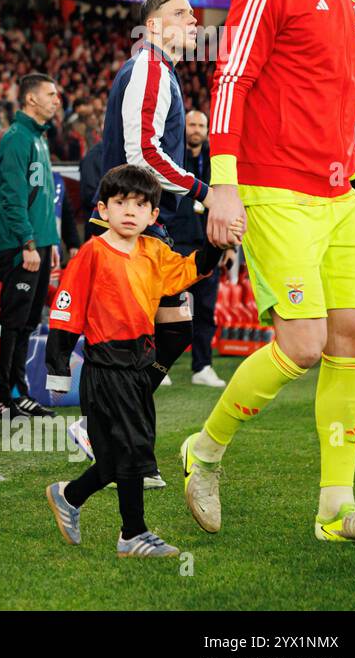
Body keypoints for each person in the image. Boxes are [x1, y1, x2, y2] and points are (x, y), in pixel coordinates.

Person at [186, 0, 355, 544]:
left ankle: (335, 507)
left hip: (338, 192)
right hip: (276, 188)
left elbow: (343, 107)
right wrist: (222, 182)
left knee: (353, 335)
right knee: (301, 344)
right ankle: (204, 451)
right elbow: (232, 77)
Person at [44, 166, 232, 557]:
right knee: (132, 451)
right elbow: (66, 311)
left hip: (138, 367)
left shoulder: (154, 252)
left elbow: (187, 271)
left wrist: (217, 242)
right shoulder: (92, 254)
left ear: (152, 215)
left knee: (116, 459)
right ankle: (133, 534)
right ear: (103, 209)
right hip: (105, 368)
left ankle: (68, 495)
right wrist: (58, 367)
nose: (130, 211)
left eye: (141, 204)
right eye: (121, 202)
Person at [95, 0, 213, 393]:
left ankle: (115, 416)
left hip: (140, 217)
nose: (193, 20)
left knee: (173, 328)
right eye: (180, 13)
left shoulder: (157, 68)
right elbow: (143, 154)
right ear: (154, 26)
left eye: (193, 14)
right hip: (130, 220)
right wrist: (204, 192)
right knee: (131, 335)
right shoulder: (150, 66)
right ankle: (107, 424)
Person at [0, 73, 61, 419]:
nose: (56, 100)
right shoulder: (17, 138)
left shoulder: (39, 137)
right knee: (14, 320)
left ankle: (20, 391)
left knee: (31, 320)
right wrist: (29, 243)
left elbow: (43, 200)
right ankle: (3, 395)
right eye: (50, 94)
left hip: (40, 244)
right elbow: (12, 197)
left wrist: (51, 243)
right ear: (31, 99)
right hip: (23, 246)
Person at [165, 110, 226, 388]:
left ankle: (202, 367)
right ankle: (161, 365)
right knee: (167, 308)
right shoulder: (173, 158)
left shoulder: (215, 162)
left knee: (205, 310)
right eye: (192, 124)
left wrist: (230, 247)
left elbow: (225, 202)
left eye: (202, 125)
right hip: (175, 244)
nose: (197, 129)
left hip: (208, 245)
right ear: (184, 127)